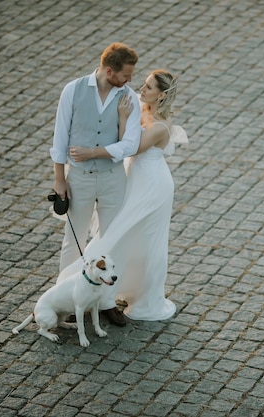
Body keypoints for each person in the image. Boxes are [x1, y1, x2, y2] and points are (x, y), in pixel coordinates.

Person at [57, 69, 187, 322]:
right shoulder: (141, 106)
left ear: (161, 96)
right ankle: (87, 292)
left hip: (152, 185)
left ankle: (85, 290)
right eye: (145, 84)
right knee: (120, 232)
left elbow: (130, 147)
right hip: (133, 179)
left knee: (134, 235)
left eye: (149, 87)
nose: (142, 89)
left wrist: (122, 117)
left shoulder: (161, 126)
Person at [50, 42, 142, 326]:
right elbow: (60, 137)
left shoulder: (129, 98)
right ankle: (62, 300)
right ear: (109, 70)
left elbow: (131, 144)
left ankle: (105, 303)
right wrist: (59, 179)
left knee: (113, 241)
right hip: (78, 178)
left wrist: (94, 152)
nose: (130, 81)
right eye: (126, 75)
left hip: (114, 179)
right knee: (73, 241)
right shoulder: (73, 90)